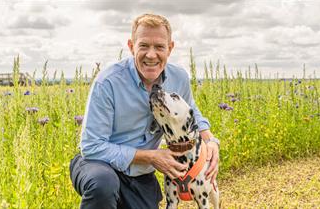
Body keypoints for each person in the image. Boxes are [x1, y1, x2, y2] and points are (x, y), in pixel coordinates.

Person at [69, 13, 220, 209]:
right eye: (143, 46)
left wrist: (210, 140)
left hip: (139, 174)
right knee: (103, 185)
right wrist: (150, 156)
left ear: (170, 48)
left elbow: (191, 112)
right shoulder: (108, 82)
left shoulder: (179, 78)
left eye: (159, 47)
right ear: (131, 47)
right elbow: (91, 146)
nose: (151, 54)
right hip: (98, 165)